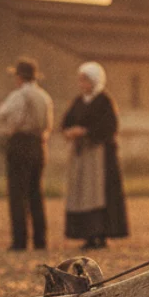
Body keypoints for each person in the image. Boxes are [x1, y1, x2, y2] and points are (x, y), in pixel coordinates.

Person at [60, 62, 129, 250]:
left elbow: (110, 127)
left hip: (100, 157)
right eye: (80, 79)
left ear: (95, 80)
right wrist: (69, 131)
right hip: (83, 157)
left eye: (85, 79)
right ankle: (88, 235)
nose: (81, 84)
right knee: (83, 195)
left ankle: (101, 235)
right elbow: (66, 122)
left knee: (99, 195)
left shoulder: (104, 101)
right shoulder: (79, 101)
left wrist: (85, 132)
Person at [0, 57, 53, 251]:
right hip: (39, 144)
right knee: (36, 192)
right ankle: (40, 239)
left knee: (17, 194)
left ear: (19, 77)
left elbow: (4, 113)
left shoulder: (19, 95)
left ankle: (20, 240)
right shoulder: (44, 96)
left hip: (20, 142)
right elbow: (48, 124)